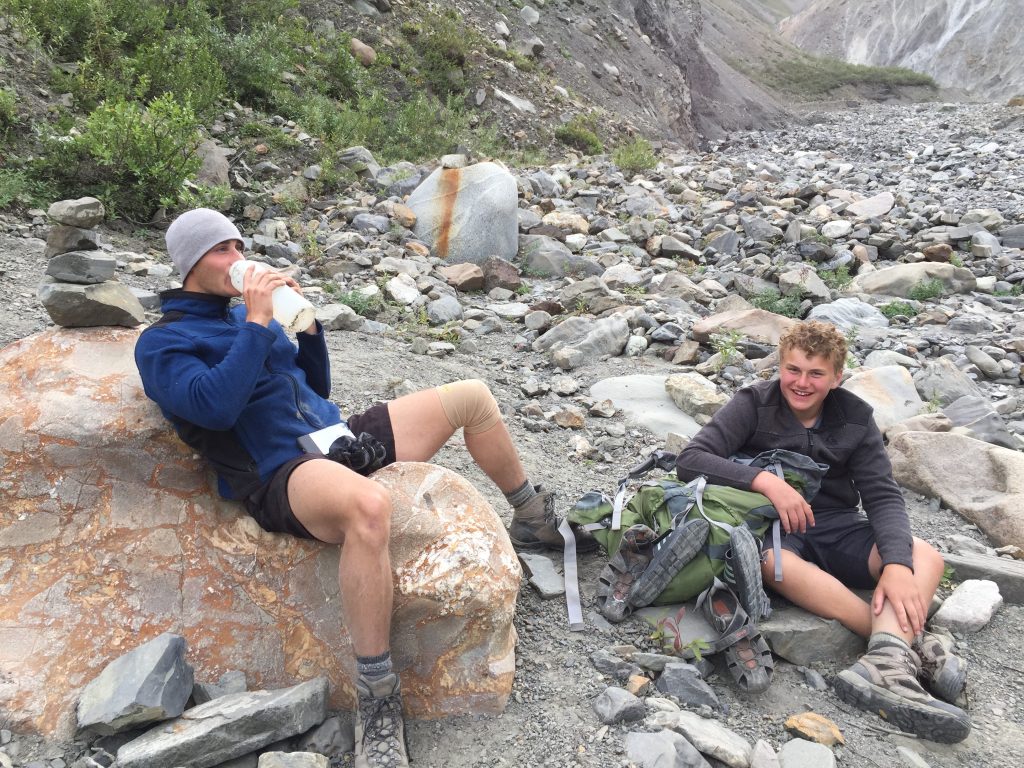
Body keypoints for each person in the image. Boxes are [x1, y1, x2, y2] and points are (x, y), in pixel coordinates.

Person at [134, 208, 594, 768]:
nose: (237, 259)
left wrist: (307, 331)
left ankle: (530, 515)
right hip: (279, 470)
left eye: (238, 246)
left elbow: (316, 386)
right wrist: (257, 324)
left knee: (470, 396)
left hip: (334, 439)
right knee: (370, 508)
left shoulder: (240, 317)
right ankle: (376, 696)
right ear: (189, 264)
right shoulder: (164, 342)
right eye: (221, 251)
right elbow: (214, 406)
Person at [675, 320, 970, 743]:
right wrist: (766, 482)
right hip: (775, 528)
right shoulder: (753, 403)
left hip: (836, 523)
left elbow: (882, 496)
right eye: (793, 370)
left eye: (816, 374)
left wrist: (898, 567)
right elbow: (691, 458)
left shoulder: (855, 417)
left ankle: (884, 661)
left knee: (925, 557)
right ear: (779, 367)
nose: (801, 382)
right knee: (775, 566)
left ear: (836, 377)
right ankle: (898, 647)